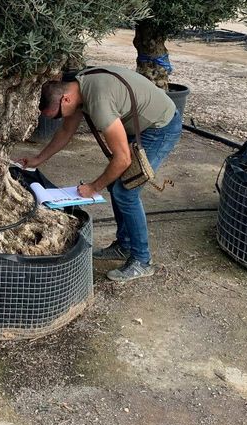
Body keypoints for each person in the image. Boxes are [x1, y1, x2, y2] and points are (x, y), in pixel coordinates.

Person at [18, 65, 182, 283]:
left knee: (126, 192)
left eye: (56, 115)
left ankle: (142, 260)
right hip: (139, 124)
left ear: (65, 99)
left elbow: (122, 159)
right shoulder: (78, 86)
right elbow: (66, 131)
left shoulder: (98, 102)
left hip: (160, 126)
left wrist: (93, 187)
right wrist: (38, 159)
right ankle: (124, 246)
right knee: (117, 185)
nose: (58, 119)